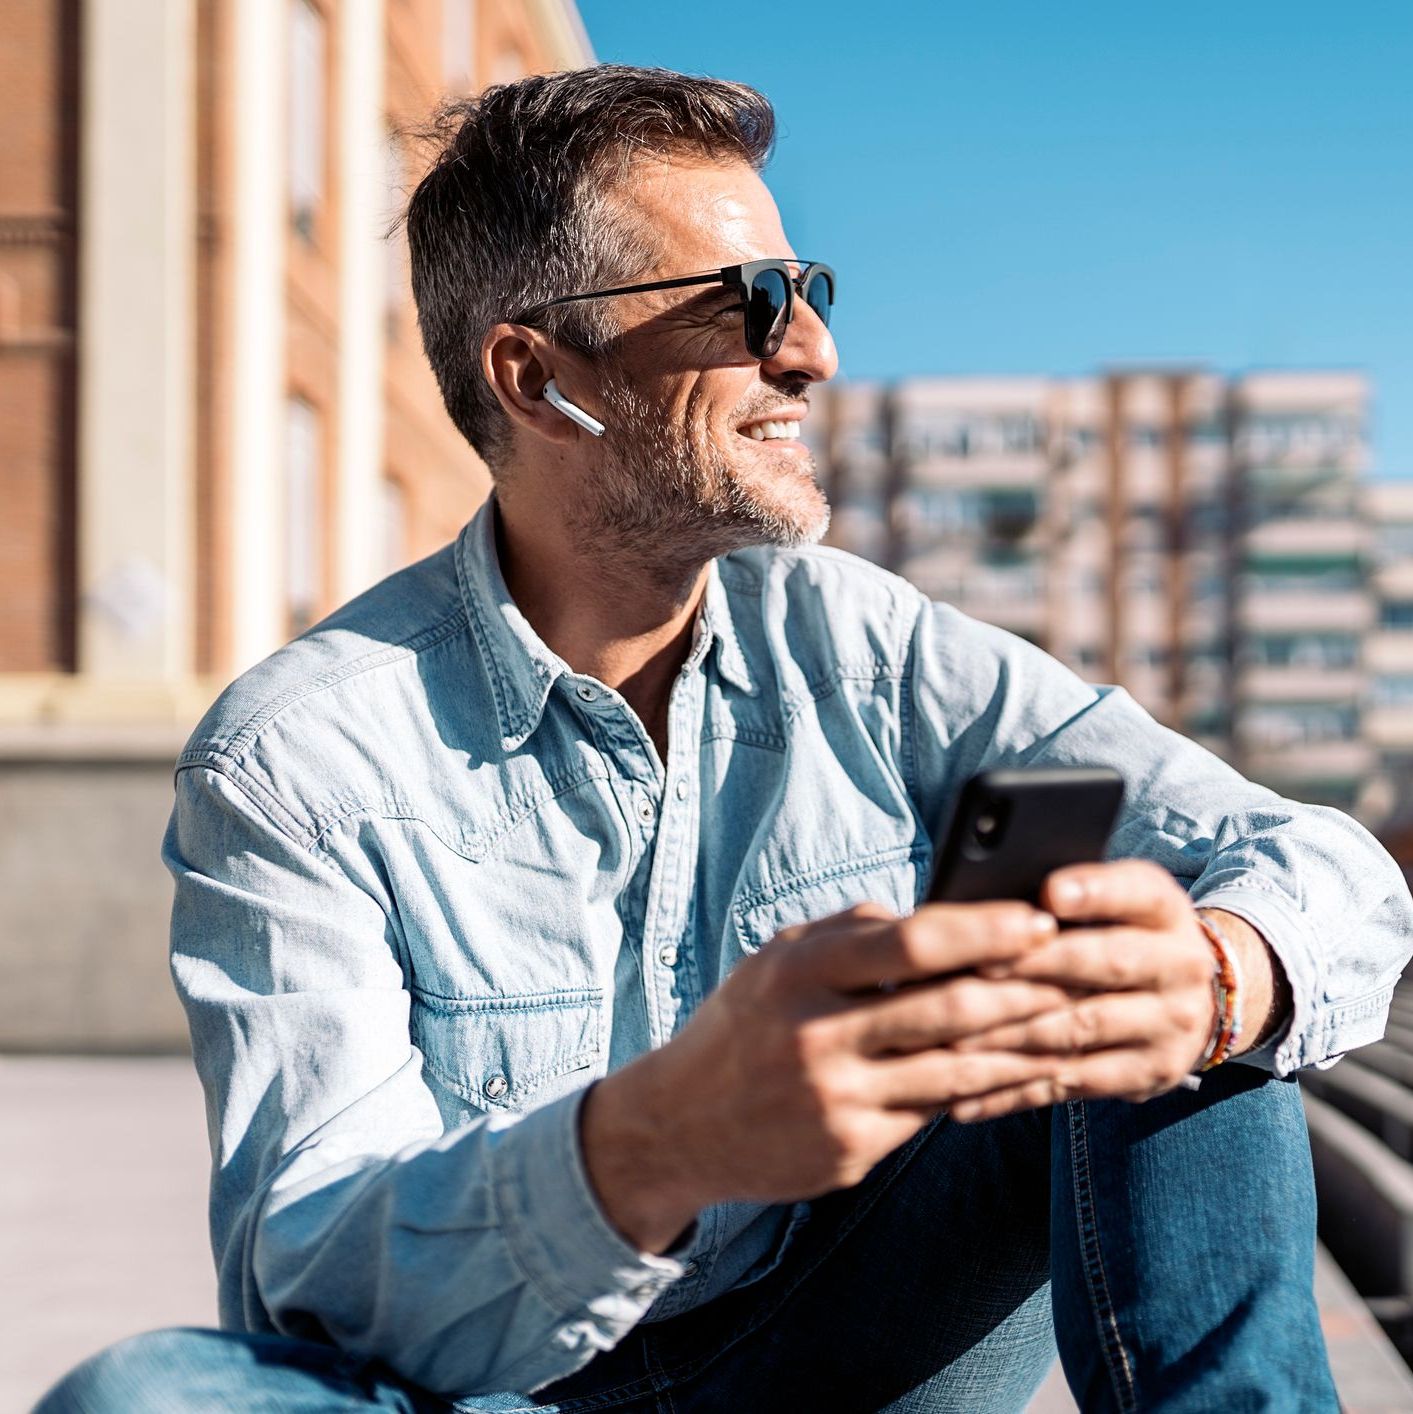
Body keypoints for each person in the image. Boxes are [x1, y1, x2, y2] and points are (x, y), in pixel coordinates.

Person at [40, 65, 1412, 1413]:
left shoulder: (864, 644)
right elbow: (312, 1286)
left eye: (807, 292)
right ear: (534, 375)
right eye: (745, 303)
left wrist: (1219, 976)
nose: (808, 349)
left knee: (1181, 969)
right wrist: (661, 1138)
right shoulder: (297, 758)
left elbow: (1315, 863)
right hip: (496, 1387)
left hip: (853, 1349)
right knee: (142, 1395)